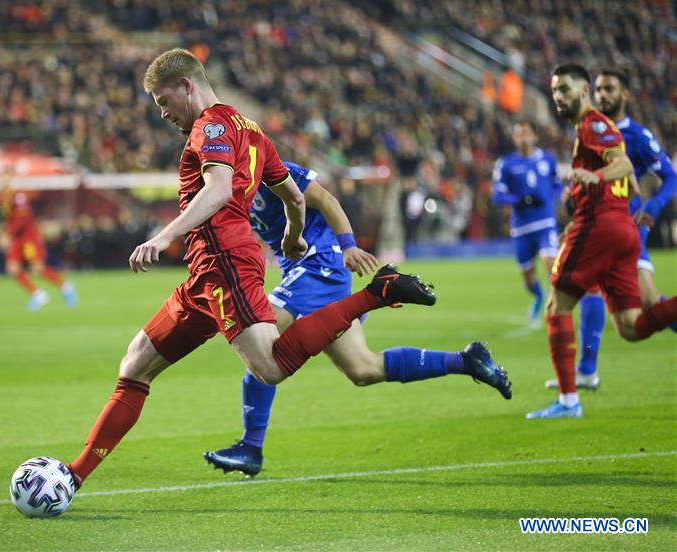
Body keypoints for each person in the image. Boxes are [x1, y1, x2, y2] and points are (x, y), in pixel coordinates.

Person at [61, 48, 506, 495]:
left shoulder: (211, 126)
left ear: (186, 86)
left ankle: (377, 294)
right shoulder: (253, 134)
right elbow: (293, 198)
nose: (161, 113)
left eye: (162, 101)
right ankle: (72, 475)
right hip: (207, 274)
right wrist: (293, 237)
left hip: (227, 265)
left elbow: (218, 190)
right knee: (136, 366)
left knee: (269, 366)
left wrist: (163, 236)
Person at [204, 160, 513, 476]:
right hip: (303, 270)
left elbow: (326, 200)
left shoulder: (265, 165)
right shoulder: (224, 182)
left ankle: (251, 447)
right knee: (363, 368)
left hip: (319, 265)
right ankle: (467, 361)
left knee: (261, 344)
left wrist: (348, 246)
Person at [527, 64, 677, 419]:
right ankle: (585, 371)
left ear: (583, 92)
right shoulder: (597, 128)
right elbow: (635, 184)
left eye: (564, 89)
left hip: (602, 226)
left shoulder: (594, 124)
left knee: (556, 305)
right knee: (631, 326)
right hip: (621, 227)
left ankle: (568, 401)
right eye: (554, 91)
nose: (558, 97)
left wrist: (592, 182)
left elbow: (624, 165)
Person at [492, 121, 562, 324]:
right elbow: (497, 195)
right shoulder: (505, 164)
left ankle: (556, 306)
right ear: (514, 139)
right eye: (518, 134)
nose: (522, 138)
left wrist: (560, 198)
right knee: (528, 277)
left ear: (534, 136)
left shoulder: (547, 159)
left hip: (545, 222)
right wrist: (518, 200)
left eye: (526, 133)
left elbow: (556, 183)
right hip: (521, 227)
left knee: (551, 264)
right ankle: (538, 296)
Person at [0, 170, 76, 310]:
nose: (4, 181)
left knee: (38, 268)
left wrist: (8, 235)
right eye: (2, 178)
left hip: (28, 238)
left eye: (7, 177)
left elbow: (23, 219)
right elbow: (9, 219)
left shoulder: (19, 196)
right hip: (17, 239)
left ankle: (65, 286)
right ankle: (38, 294)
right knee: (12, 268)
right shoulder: (4, 197)